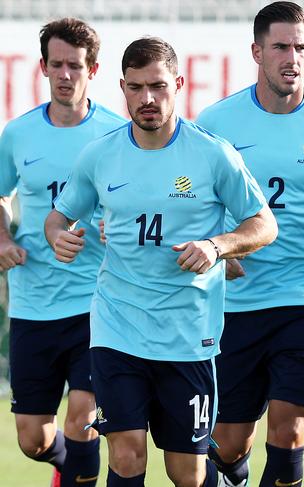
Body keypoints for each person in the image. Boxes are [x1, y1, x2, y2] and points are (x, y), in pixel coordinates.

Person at [44, 37, 277, 487]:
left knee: (186, 472)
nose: (147, 99)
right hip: (117, 328)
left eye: (157, 86)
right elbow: (59, 216)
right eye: (135, 88)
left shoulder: (213, 154)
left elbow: (263, 224)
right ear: (122, 88)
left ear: (179, 85)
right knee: (126, 454)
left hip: (187, 336)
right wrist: (57, 236)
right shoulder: (100, 154)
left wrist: (217, 246)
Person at [196, 2, 304, 486]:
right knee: (230, 441)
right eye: (280, 46)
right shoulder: (216, 122)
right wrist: (220, 248)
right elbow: (193, 202)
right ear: (257, 51)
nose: (291, 57)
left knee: (291, 428)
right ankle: (233, 472)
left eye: (300, 47)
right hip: (234, 302)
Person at [0, 18, 125, 487]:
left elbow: (139, 196)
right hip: (33, 301)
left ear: (92, 69)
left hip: (98, 302)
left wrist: (118, 226)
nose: (65, 74)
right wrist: (3, 240)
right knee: (33, 438)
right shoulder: (18, 134)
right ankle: (69, 466)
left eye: (75, 65)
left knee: (82, 417)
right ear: (44, 67)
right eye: (57, 65)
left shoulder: (117, 133)